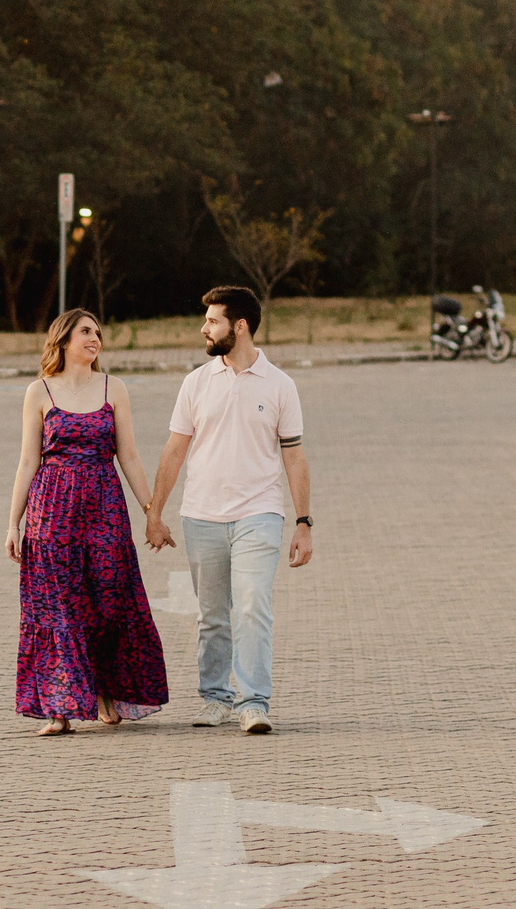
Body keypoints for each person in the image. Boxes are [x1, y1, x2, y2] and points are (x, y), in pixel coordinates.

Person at [145, 285, 312, 735]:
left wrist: (303, 522)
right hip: (201, 516)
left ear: (239, 326)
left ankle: (253, 702)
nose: (204, 329)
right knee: (213, 615)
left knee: (253, 605)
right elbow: (174, 450)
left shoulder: (280, 385)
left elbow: (294, 456)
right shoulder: (196, 383)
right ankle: (215, 698)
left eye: (212, 321)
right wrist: (155, 513)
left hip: (260, 513)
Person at [7, 307, 169, 735]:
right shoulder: (39, 392)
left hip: (105, 510)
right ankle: (59, 709)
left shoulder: (114, 388)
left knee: (108, 602)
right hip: (52, 514)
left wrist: (152, 512)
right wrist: (13, 524)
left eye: (98, 332)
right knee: (59, 608)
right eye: (85, 331)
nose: (95, 338)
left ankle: (103, 692)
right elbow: (27, 461)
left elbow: (128, 455)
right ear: (63, 339)